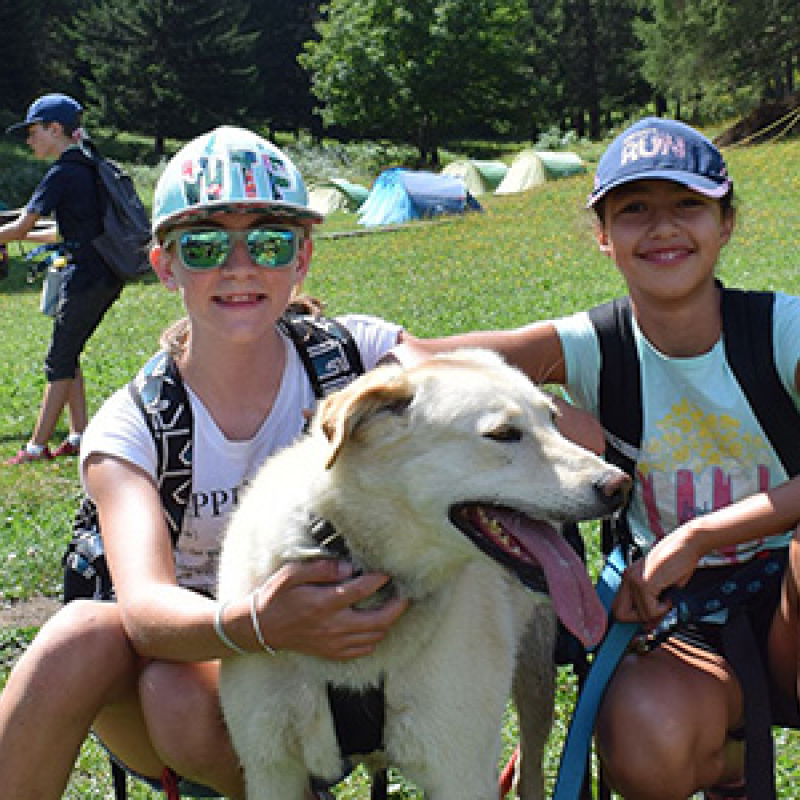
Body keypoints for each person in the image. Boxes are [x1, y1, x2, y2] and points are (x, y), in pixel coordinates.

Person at [0, 125, 416, 798]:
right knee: (95, 644)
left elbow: (481, 384)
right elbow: (143, 609)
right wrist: (259, 622)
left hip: (334, 672)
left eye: (270, 241)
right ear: (166, 266)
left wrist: (582, 362)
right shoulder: (133, 424)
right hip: (186, 683)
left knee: (176, 689)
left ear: (303, 257)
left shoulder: (355, 358)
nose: (240, 265)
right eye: (204, 244)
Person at [394, 117, 800, 798]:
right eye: (635, 209)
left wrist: (700, 535)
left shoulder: (781, 329)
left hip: (794, 602)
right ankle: (729, 764)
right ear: (605, 237)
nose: (664, 228)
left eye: (688, 206)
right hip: (680, 611)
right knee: (646, 741)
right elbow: (416, 360)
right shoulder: (593, 344)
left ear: (725, 224)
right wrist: (556, 416)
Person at [2, 93, 125, 465]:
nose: (28, 139)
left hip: (86, 276)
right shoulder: (87, 165)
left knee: (58, 360)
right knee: (68, 353)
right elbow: (60, 231)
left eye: (33, 131)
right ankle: (78, 434)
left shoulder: (62, 172)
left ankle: (36, 448)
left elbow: (24, 223)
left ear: (55, 129)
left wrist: (10, 233)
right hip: (102, 271)